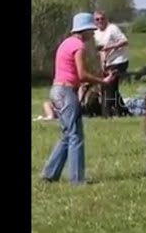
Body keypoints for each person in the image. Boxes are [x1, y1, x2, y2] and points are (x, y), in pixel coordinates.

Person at [40, 12, 115, 185]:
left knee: (67, 134)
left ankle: (50, 174)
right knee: (75, 136)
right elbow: (82, 74)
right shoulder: (78, 45)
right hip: (66, 92)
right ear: (84, 30)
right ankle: (77, 180)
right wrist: (102, 81)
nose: (93, 33)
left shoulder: (66, 43)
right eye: (91, 29)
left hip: (57, 90)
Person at [94, 10, 129, 117]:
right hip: (107, 62)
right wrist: (102, 64)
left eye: (102, 18)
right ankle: (123, 111)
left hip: (119, 60)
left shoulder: (112, 29)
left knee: (108, 87)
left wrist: (112, 46)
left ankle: (106, 114)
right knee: (112, 89)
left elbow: (125, 41)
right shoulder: (95, 33)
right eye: (97, 19)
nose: (100, 21)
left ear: (106, 19)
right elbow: (99, 51)